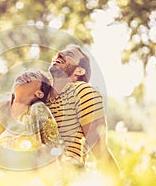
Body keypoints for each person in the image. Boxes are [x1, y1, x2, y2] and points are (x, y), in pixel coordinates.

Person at [46, 44, 119, 172]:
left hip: (63, 174)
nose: (59, 54)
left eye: (69, 55)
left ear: (79, 71)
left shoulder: (82, 91)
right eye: (61, 52)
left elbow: (100, 151)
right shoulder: (42, 97)